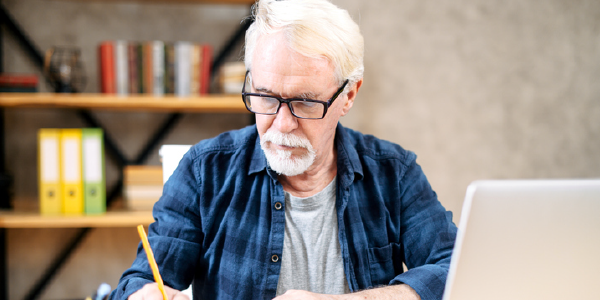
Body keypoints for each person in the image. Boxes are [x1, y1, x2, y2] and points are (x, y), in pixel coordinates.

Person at [112, 0, 457, 299]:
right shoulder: (205, 171)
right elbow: (140, 281)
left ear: (348, 95)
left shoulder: (394, 173)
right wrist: (144, 295)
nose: (281, 124)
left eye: (305, 103)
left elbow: (455, 267)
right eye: (265, 97)